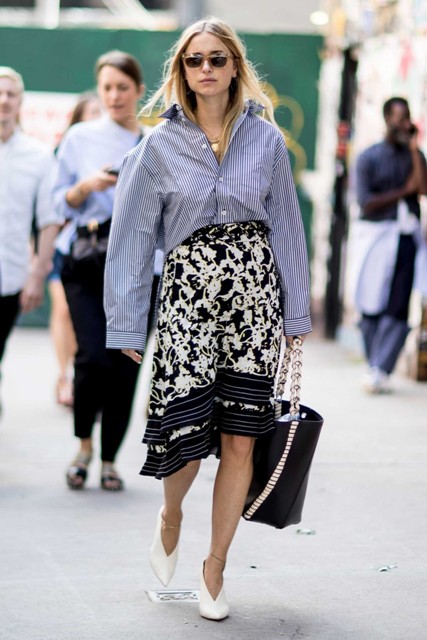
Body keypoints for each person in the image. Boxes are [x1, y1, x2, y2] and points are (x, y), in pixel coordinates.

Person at [104, 17, 311, 620]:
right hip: (187, 304)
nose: (206, 69)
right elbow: (130, 240)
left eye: (217, 58)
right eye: (195, 60)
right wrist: (126, 323)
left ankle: (215, 567)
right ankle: (171, 513)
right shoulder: (156, 148)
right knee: (187, 439)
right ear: (182, 70)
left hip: (253, 304)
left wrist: (294, 315)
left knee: (241, 438)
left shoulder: (266, 141)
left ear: (234, 65)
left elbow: (288, 230)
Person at [52, 51, 158, 491]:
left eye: (123, 88)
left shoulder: (155, 142)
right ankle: (84, 447)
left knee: (125, 363)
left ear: (138, 91)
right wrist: (87, 186)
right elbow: (57, 201)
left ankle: (111, 459)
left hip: (139, 267)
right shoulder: (80, 138)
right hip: (88, 257)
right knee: (92, 357)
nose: (115, 96)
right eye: (107, 88)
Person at [354, 96, 427, 394]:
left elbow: (421, 188)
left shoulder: (415, 155)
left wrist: (414, 148)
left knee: (398, 305)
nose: (404, 124)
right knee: (371, 301)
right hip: (375, 238)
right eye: (399, 118)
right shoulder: (368, 157)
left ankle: (382, 367)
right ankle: (374, 363)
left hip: (406, 240)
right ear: (387, 119)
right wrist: (402, 192)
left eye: (407, 118)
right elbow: (365, 202)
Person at [0, 66, 60, 416]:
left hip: (10, 278)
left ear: (20, 101)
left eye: (10, 94)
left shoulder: (38, 155)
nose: (4, 100)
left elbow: (49, 219)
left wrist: (37, 274)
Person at [48, 92, 102, 408]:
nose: (98, 116)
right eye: (92, 111)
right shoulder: (68, 151)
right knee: (64, 311)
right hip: (65, 246)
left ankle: (89, 379)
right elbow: (51, 204)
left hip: (100, 249)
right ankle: (64, 376)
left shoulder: (124, 150)